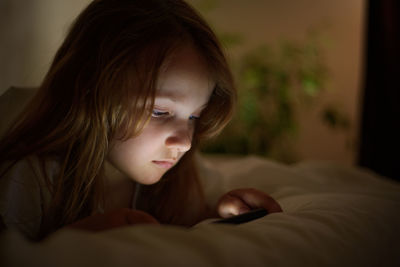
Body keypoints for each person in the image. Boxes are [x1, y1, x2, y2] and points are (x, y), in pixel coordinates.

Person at [0, 0, 282, 241]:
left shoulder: (179, 174)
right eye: (160, 112)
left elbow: (204, 205)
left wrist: (221, 211)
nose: (184, 142)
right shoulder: (29, 173)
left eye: (195, 116)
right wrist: (79, 240)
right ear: (91, 91)